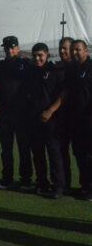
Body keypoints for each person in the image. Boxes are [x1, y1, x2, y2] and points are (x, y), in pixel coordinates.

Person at [26, 43, 65, 198]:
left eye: (40, 55)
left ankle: (59, 187)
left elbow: (63, 94)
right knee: (38, 153)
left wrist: (50, 111)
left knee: (54, 153)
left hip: (52, 120)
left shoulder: (55, 71)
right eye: (35, 55)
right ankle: (42, 183)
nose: (37, 58)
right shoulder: (31, 72)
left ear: (47, 55)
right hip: (34, 119)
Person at [0, 36, 32, 191]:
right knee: (7, 149)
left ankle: (26, 180)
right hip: (5, 113)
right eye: (7, 47)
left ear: (18, 48)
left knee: (24, 148)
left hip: (22, 114)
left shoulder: (26, 64)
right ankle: (7, 178)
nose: (9, 50)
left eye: (12, 47)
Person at [64, 40, 92, 200]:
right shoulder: (72, 70)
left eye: (78, 50)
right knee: (79, 154)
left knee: (90, 155)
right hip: (75, 119)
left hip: (88, 119)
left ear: (86, 51)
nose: (75, 53)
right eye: (73, 50)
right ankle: (84, 186)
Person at [55, 37, 74, 190]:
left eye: (65, 48)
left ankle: (87, 185)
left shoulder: (80, 67)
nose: (62, 51)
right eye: (60, 48)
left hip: (79, 117)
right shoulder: (57, 68)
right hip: (61, 118)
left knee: (83, 153)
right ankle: (64, 183)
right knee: (61, 152)